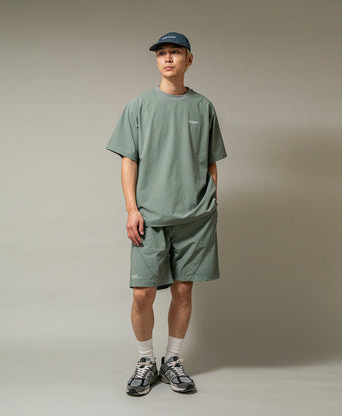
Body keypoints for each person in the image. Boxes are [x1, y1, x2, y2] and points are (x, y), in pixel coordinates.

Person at [105, 32, 227, 396]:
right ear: (157, 60)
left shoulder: (203, 107)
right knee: (142, 294)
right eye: (162, 53)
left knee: (183, 291)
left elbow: (211, 160)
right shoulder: (138, 106)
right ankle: (146, 360)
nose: (168, 58)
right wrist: (132, 209)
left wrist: (211, 200)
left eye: (175, 52)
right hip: (150, 217)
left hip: (195, 219)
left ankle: (173, 360)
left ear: (189, 59)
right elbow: (129, 159)